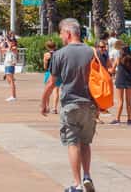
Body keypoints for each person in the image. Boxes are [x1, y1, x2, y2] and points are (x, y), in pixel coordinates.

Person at [41, 18, 97, 192]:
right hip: (89, 104)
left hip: (70, 104)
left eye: (61, 34)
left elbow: (52, 82)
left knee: (73, 143)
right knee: (86, 142)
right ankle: (87, 175)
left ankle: (77, 183)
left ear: (68, 33)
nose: (61, 37)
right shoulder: (92, 52)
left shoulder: (60, 54)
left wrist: (43, 102)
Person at [110, 47, 131, 125]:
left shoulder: (118, 59)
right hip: (129, 80)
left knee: (120, 101)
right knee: (128, 101)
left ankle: (117, 119)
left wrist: (109, 71)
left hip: (120, 80)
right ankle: (129, 119)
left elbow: (113, 69)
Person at [42, 40, 61, 113]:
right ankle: (55, 108)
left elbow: (45, 66)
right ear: (55, 46)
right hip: (58, 73)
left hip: (49, 73)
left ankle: (47, 107)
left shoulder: (46, 55)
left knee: (48, 90)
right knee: (56, 91)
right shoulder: (58, 54)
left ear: (47, 47)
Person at [3, 34, 19, 102]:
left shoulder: (14, 48)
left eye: (12, 41)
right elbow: (3, 49)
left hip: (10, 64)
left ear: (14, 42)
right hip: (7, 64)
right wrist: (6, 41)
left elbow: (9, 48)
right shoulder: (10, 47)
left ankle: (13, 96)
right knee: (8, 80)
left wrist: (7, 41)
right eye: (10, 41)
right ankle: (13, 95)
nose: (11, 42)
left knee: (11, 80)